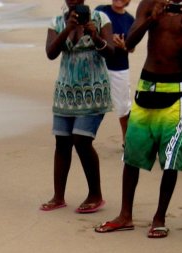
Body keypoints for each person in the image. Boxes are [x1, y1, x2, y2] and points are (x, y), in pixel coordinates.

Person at [94, 0, 182, 238]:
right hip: (147, 86)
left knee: (171, 158)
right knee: (132, 154)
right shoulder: (150, 3)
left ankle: (159, 217)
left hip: (175, 91)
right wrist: (151, 18)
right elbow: (130, 41)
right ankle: (125, 215)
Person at [41, 0, 114, 214]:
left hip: (94, 91)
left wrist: (95, 35)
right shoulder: (56, 22)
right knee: (62, 142)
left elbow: (110, 52)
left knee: (82, 140)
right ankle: (58, 196)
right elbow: (51, 53)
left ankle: (96, 194)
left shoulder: (101, 19)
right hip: (66, 92)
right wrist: (68, 29)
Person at [97, 0, 136, 142]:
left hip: (119, 67)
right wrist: (106, 39)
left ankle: (127, 140)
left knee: (123, 107)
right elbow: (89, 33)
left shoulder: (130, 20)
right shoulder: (101, 11)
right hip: (98, 65)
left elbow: (132, 48)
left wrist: (123, 45)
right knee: (91, 103)